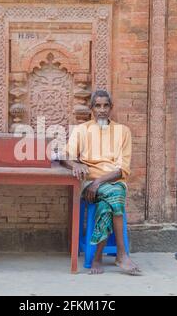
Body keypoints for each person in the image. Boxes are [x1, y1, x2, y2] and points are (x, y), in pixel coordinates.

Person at [61, 90, 141, 276]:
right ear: (91, 109)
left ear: (111, 108)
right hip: (88, 184)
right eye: (98, 106)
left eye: (106, 106)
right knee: (114, 198)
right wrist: (75, 164)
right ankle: (121, 255)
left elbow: (122, 170)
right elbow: (64, 156)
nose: (102, 110)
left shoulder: (123, 132)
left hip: (113, 181)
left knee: (108, 203)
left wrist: (99, 181)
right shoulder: (81, 130)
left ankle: (98, 258)